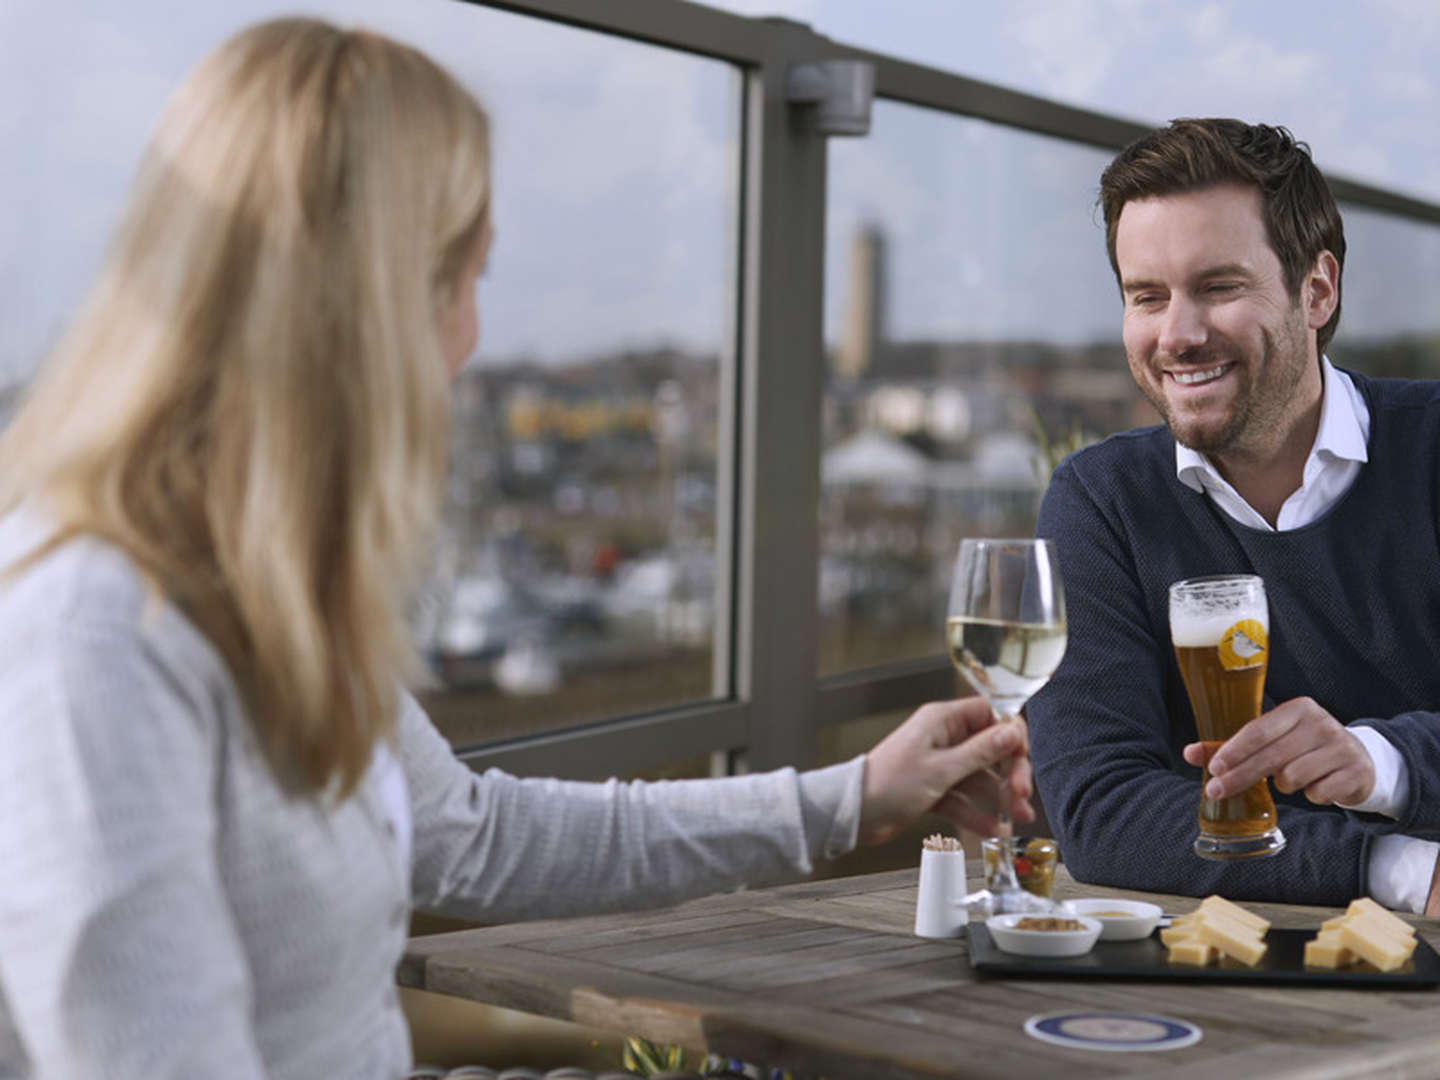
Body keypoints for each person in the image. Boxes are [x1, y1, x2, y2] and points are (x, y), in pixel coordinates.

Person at [0, 19, 1034, 1080]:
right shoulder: (97, 635)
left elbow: (475, 836)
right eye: (467, 278)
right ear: (364, 299)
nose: (473, 336)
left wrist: (853, 794)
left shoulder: (255, 589)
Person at [1027, 116, 1440, 913]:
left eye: (1218, 287)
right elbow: (1102, 813)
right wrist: (1404, 871)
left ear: (1316, 291)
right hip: (1228, 974)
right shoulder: (1099, 502)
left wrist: (1378, 761)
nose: (1177, 335)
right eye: (1147, 297)